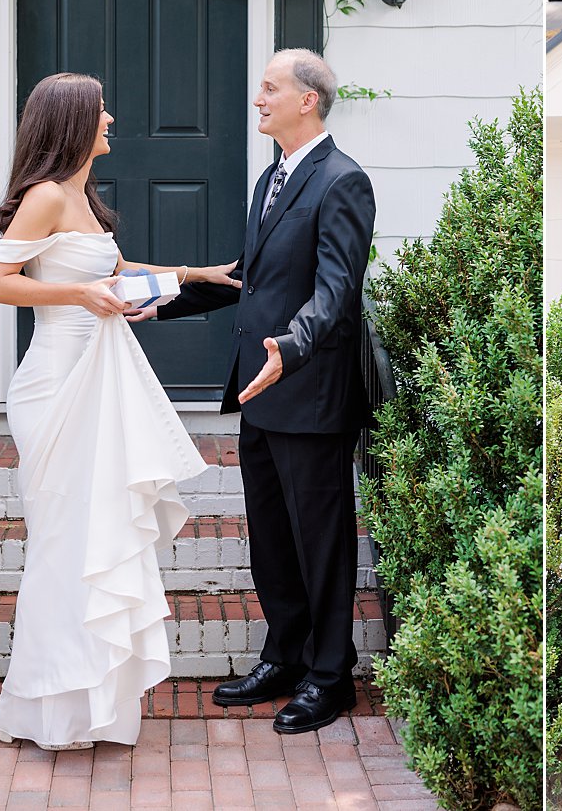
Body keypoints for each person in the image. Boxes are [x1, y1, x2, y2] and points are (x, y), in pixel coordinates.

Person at [0, 72, 240, 751]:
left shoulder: (81, 197)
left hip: (98, 374)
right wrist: (80, 298)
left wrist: (193, 275)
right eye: (101, 111)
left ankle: (90, 705)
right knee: (65, 544)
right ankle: (48, 709)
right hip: (58, 385)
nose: (112, 118)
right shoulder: (42, 198)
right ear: (73, 122)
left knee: (94, 538)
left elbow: (115, 274)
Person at [130, 48, 376, 735]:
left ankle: (330, 677)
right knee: (271, 539)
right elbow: (250, 276)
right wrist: (166, 302)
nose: (258, 98)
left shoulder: (343, 182)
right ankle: (285, 657)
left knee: (320, 541)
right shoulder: (274, 177)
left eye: (270, 88)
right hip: (261, 395)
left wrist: (290, 349)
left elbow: (334, 293)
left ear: (309, 99)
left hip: (310, 393)